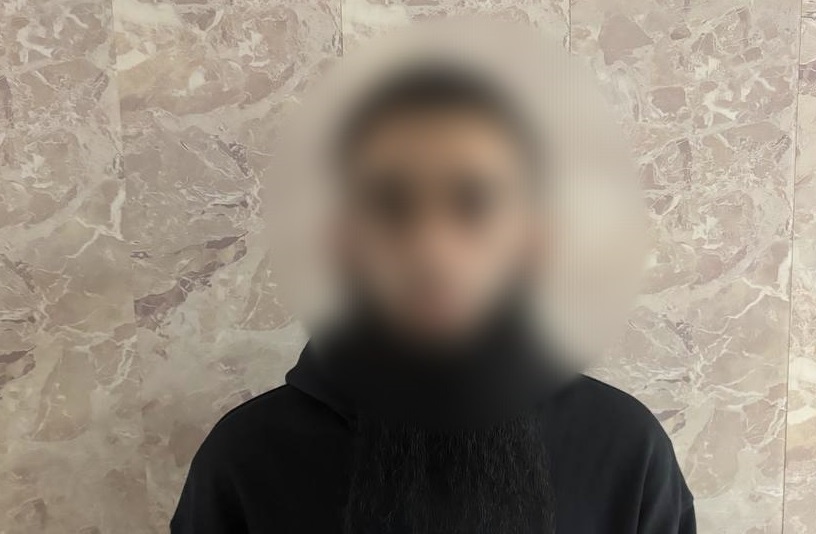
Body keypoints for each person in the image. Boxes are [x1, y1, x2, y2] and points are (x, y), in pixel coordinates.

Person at [170, 60, 696, 534]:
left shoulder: (626, 450)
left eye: (475, 202)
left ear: (533, 237)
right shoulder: (247, 456)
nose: (431, 249)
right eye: (390, 204)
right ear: (343, 238)